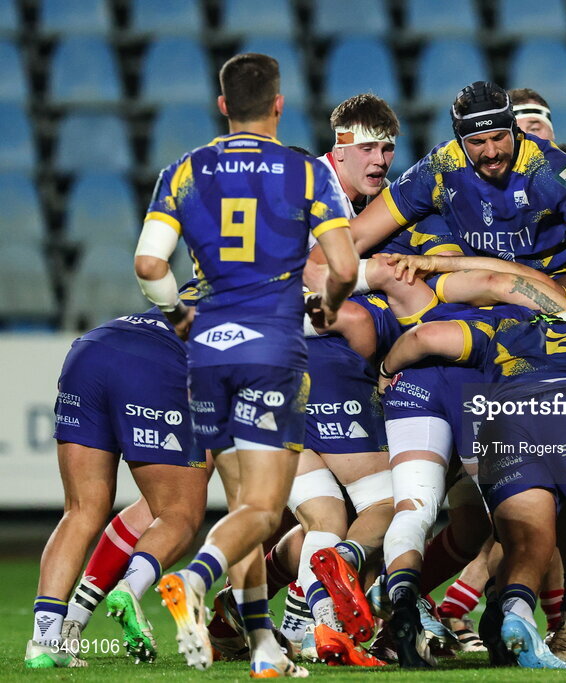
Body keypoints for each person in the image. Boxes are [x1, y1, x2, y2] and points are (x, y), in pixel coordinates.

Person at [134, 53, 358, 676]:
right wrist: (327, 307)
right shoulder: (308, 171)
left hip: (206, 355)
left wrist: (179, 314)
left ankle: (263, 648)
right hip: (271, 353)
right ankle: (198, 579)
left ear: (224, 106)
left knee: (240, 507)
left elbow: (150, 266)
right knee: (262, 510)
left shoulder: (182, 171)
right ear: (279, 105)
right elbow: (342, 266)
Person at [377, 309, 566, 669]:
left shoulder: (501, 329)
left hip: (501, 418)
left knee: (525, 545)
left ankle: (518, 616)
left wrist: (384, 374)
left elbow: (423, 337)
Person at [25, 292, 209, 669]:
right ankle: (130, 586)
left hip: (93, 347)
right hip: (156, 365)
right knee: (180, 511)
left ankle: (45, 640)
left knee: (80, 511)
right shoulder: (266, 297)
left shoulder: (207, 278)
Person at [346, 81, 566, 310]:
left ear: (514, 130)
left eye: (499, 137)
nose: (492, 152)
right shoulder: (440, 166)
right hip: (477, 287)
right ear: (460, 141)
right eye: (477, 142)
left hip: (553, 289)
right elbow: (356, 236)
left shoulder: (550, 167)